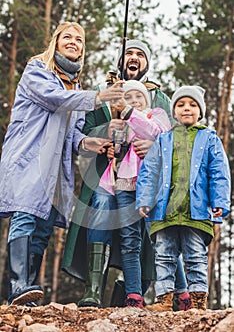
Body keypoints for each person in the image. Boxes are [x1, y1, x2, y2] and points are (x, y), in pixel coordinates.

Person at [0, 21, 124, 306]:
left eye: (79, 39)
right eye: (67, 37)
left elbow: (73, 131)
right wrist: (98, 97)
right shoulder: (37, 70)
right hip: (28, 158)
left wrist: (88, 143)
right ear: (55, 42)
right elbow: (54, 99)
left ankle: (26, 293)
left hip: (55, 169)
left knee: (42, 228)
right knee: (25, 218)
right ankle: (17, 285)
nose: (73, 42)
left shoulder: (74, 85)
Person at [62, 39, 189, 310]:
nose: (134, 58)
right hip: (105, 177)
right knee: (101, 206)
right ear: (121, 60)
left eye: (140, 54)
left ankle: (137, 292)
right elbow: (81, 132)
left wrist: (154, 147)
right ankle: (93, 290)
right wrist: (103, 135)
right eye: (129, 53)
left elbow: (170, 138)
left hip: (144, 182)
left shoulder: (160, 99)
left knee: (149, 231)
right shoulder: (100, 92)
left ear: (146, 63)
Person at [136, 85, 231, 311]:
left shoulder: (209, 138)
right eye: (180, 105)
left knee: (195, 256)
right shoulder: (164, 140)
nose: (186, 108)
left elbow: (219, 172)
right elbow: (150, 171)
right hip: (164, 211)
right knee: (164, 256)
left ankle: (198, 299)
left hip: (195, 210)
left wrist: (219, 201)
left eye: (192, 105)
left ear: (201, 111)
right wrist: (145, 199)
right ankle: (164, 299)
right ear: (174, 112)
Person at [83, 80, 171, 308]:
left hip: (149, 186)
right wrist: (108, 138)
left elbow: (159, 132)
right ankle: (125, 293)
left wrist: (132, 115)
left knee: (161, 236)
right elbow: (101, 139)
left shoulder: (156, 112)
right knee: (128, 238)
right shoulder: (119, 120)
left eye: (139, 97)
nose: (134, 101)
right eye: (129, 97)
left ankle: (175, 292)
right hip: (120, 183)